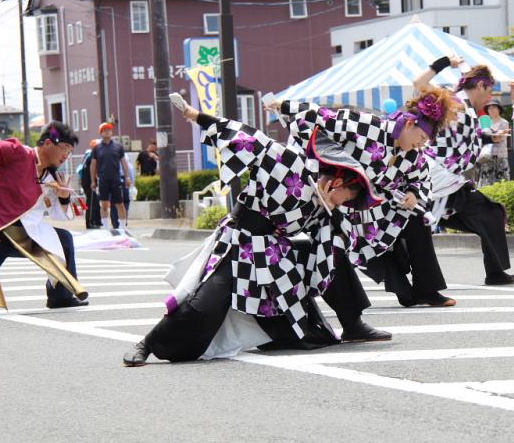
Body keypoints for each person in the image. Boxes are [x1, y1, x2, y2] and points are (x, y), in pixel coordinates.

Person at [123, 98, 391, 367]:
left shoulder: (326, 208)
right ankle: (147, 344)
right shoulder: (291, 166)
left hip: (275, 255)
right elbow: (254, 139)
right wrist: (199, 117)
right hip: (240, 244)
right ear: (336, 182)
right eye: (348, 198)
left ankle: (353, 323)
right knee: (203, 305)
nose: (347, 205)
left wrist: (332, 215)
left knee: (331, 256)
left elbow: (332, 242)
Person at [278, 87, 463, 308]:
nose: (421, 144)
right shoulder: (369, 126)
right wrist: (284, 106)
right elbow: (323, 116)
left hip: (384, 207)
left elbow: (422, 179)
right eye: (421, 137)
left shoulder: (414, 154)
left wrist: (414, 193)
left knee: (418, 218)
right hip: (350, 206)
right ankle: (401, 290)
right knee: (398, 286)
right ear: (409, 124)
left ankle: (427, 289)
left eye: (425, 141)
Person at [0, 121, 88, 314]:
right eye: (64, 148)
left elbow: (60, 216)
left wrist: (64, 198)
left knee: (64, 239)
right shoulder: (18, 153)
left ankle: (60, 297)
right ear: (47, 143)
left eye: (70, 151)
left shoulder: (52, 178)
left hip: (28, 237)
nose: (66, 156)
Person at [415, 55, 514, 286]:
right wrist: (443, 62)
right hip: (439, 177)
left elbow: (460, 138)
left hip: (446, 179)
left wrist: (488, 136)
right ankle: (494, 273)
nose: (490, 97)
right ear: (481, 85)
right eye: (489, 91)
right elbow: (419, 83)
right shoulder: (454, 100)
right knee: (491, 214)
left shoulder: (468, 110)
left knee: (488, 214)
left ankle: (495, 272)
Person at [91, 122, 131, 230]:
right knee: (103, 204)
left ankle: (123, 227)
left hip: (116, 179)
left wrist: (127, 177)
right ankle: (105, 227)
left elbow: (124, 163)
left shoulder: (118, 146)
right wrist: (93, 181)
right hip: (103, 179)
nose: (107, 131)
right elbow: (93, 165)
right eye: (104, 130)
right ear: (101, 133)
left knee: (120, 204)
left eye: (109, 129)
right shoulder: (96, 148)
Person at [475, 98, 511, 186]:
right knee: (486, 183)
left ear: (499, 109)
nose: (491, 110)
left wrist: (489, 136)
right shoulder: (484, 122)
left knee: (502, 183)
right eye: (489, 108)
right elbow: (481, 138)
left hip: (500, 156)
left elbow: (499, 138)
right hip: (486, 157)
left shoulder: (504, 123)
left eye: (494, 107)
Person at [79, 139, 102, 229]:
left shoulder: (88, 156)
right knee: (92, 202)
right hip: (88, 182)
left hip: (86, 182)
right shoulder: (92, 156)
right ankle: (90, 223)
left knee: (94, 202)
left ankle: (96, 221)